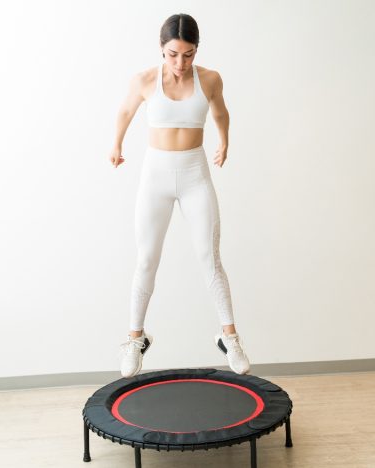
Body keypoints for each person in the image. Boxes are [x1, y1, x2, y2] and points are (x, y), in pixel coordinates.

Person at [109, 13, 250, 378]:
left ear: (196, 51)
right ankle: (135, 339)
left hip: (194, 174)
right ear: (161, 49)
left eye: (188, 55)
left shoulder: (210, 79)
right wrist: (116, 144)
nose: (180, 63)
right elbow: (125, 110)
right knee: (146, 260)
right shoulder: (144, 80)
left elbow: (221, 113)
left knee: (210, 257)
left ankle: (229, 337)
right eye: (173, 55)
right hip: (155, 176)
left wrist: (225, 141)